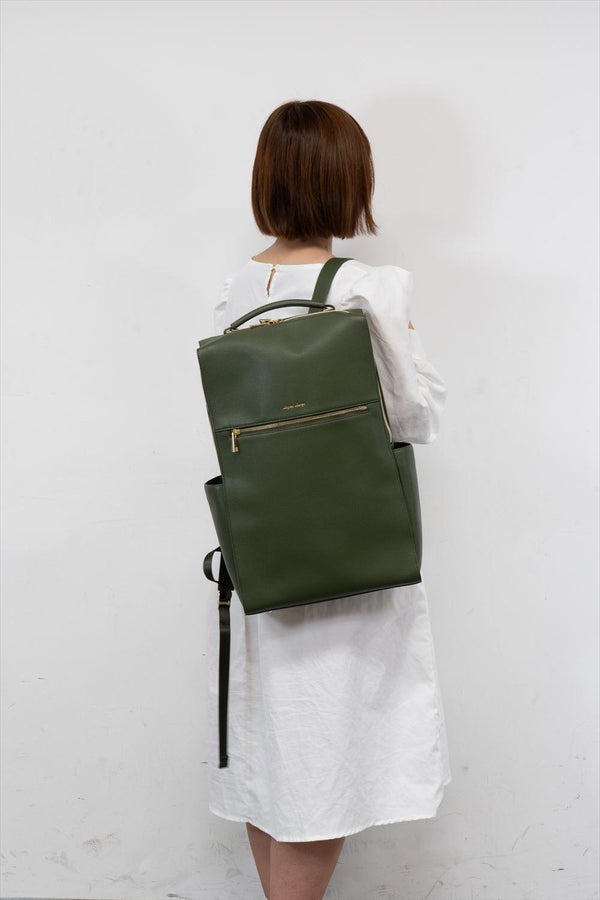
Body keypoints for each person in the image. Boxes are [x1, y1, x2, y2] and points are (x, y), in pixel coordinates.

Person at [206, 99, 451, 900]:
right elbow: (416, 417)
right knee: (324, 770)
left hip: (267, 556)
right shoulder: (369, 288)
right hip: (352, 561)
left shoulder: (236, 289)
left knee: (274, 762)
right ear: (348, 181)